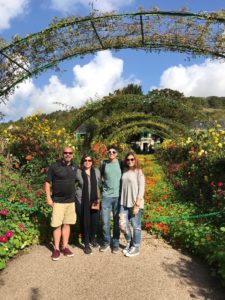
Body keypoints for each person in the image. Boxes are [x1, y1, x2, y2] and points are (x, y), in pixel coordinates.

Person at [45, 147, 77, 261]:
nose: (68, 154)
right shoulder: (54, 166)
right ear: (62, 154)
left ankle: (65, 247)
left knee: (67, 224)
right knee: (57, 225)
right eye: (66, 153)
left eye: (70, 153)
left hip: (71, 201)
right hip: (58, 201)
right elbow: (47, 182)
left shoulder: (75, 167)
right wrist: (48, 198)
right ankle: (57, 249)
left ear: (72, 155)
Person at [119, 151, 145, 257]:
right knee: (123, 224)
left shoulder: (139, 172)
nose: (130, 161)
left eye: (132, 159)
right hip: (124, 203)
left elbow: (142, 188)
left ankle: (136, 246)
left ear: (135, 160)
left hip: (135, 203)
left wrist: (137, 205)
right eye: (128, 159)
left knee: (136, 226)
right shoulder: (124, 170)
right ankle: (129, 242)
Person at [75, 154, 101, 255]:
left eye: (89, 160)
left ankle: (92, 239)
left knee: (94, 222)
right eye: (85, 160)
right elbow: (72, 184)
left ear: (92, 162)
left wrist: (98, 198)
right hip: (82, 201)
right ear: (82, 161)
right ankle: (86, 244)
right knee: (84, 223)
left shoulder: (97, 172)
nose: (87, 162)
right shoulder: (78, 172)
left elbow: (98, 186)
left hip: (94, 201)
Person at [99, 146, 123, 253]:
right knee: (105, 221)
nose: (111, 153)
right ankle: (106, 242)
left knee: (117, 221)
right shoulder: (104, 164)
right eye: (110, 152)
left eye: (114, 152)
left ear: (117, 154)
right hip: (106, 197)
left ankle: (116, 243)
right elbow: (99, 178)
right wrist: (101, 190)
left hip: (118, 196)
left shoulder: (121, 164)